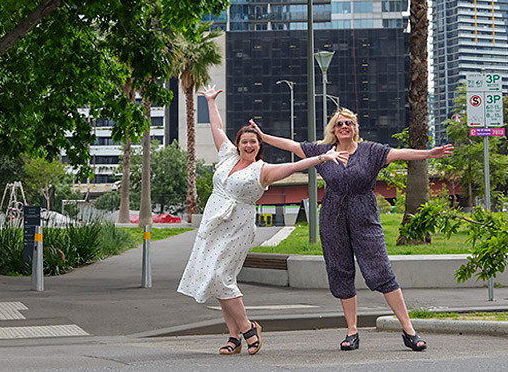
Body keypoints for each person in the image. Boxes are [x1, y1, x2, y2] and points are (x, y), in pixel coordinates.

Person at [250, 109, 453, 352]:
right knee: (340, 271)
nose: (343, 127)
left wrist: (429, 153)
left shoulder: (371, 151)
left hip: (364, 215)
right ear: (333, 129)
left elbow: (400, 154)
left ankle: (409, 330)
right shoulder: (324, 151)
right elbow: (293, 146)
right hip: (333, 217)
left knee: (381, 271)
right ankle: (352, 332)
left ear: (355, 127)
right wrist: (263, 136)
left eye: (348, 123)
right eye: (338, 124)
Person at [177, 86, 349, 356]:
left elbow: (293, 166)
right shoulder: (227, 156)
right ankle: (233, 337)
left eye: (253, 143)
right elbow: (217, 127)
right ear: (238, 144)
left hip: (237, 226)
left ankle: (247, 328)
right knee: (216, 278)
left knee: (221, 276)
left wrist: (321, 157)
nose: (248, 146)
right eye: (244, 142)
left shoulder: (263, 171)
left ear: (259, 146)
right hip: (213, 224)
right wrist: (211, 102)